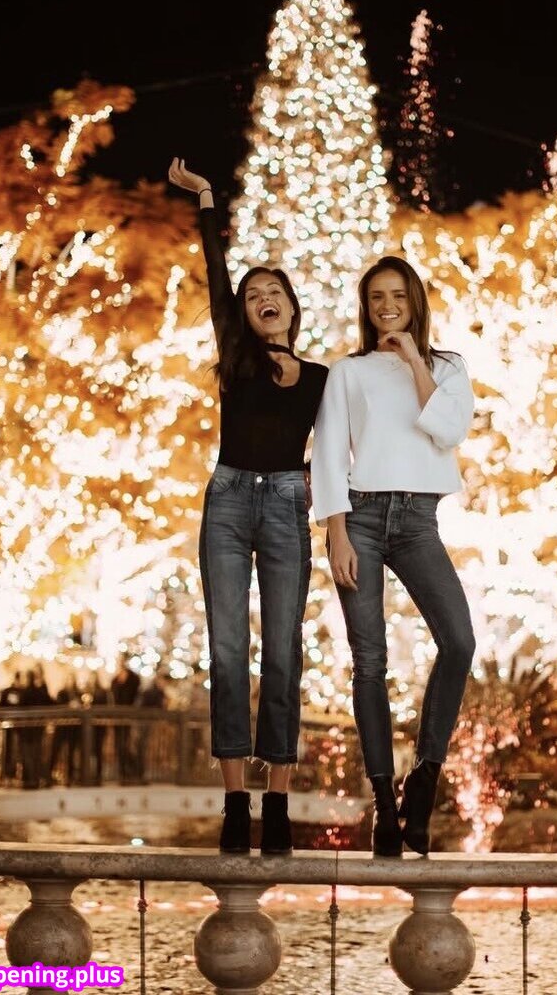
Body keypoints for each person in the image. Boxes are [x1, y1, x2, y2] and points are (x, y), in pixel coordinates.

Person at [168, 157, 328, 854]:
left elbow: (343, 446)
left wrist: (322, 494)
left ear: (291, 308)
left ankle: (278, 805)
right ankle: (235, 802)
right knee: (229, 649)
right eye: (254, 292)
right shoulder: (235, 355)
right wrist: (207, 198)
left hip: (288, 503)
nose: (264, 297)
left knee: (284, 650)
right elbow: (214, 272)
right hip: (229, 501)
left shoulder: (321, 378)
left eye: (274, 291)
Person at [312, 255, 476, 856]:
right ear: (366, 305)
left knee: (459, 641)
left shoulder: (448, 367)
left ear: (415, 302)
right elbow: (329, 452)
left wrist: (413, 360)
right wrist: (336, 533)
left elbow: (448, 430)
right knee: (370, 661)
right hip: (360, 517)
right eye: (377, 297)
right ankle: (384, 803)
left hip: (418, 522)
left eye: (398, 296)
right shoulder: (347, 372)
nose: (387, 307)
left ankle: (423, 780)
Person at [110, 656, 141, 783]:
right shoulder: (115, 679)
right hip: (118, 718)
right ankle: (122, 772)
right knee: (119, 746)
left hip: (129, 717)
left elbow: (136, 695)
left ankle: (133, 772)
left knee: (128, 745)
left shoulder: (133, 678)